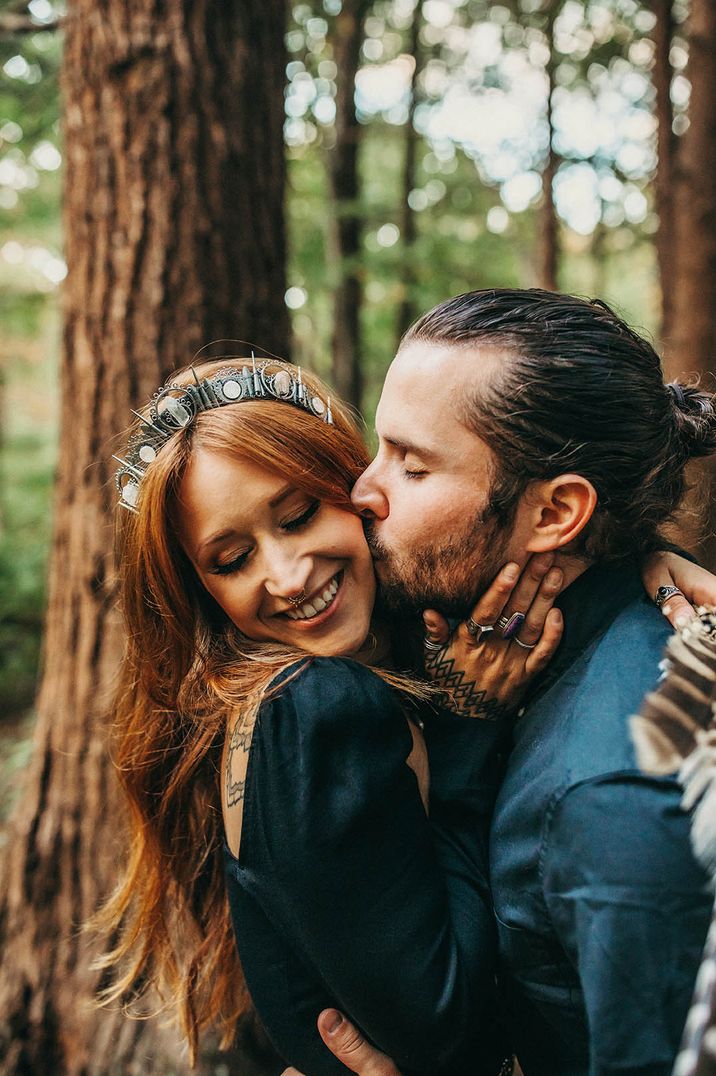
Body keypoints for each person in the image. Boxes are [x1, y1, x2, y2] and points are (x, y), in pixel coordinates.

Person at [98, 355, 566, 1076]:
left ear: (355, 489)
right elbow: (448, 1030)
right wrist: (470, 722)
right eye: (231, 559)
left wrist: (652, 569)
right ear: (201, 594)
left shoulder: (402, 641)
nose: (287, 576)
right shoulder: (309, 710)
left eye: (298, 514)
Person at [292, 288, 716, 1076]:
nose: (361, 492)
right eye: (379, 448)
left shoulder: (612, 796)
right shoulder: (491, 652)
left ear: (556, 514)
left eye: (412, 465)